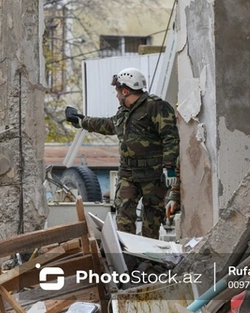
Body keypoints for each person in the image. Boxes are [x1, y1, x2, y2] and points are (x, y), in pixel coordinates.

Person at [65, 67, 179, 239]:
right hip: (128, 174)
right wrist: (82, 121)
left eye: (118, 92)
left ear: (125, 91)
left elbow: (170, 137)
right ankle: (126, 260)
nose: (116, 96)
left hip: (153, 176)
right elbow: (109, 125)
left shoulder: (156, 107)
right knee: (124, 219)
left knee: (151, 224)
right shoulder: (123, 112)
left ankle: (150, 264)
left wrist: (169, 167)